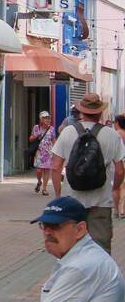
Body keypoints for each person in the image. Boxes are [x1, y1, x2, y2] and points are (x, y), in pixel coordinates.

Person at [48, 92, 124, 253]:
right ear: (100, 112)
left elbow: (55, 167)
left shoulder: (68, 132)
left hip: (71, 201)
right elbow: (119, 170)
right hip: (101, 202)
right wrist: (114, 188)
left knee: (70, 249)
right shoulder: (111, 135)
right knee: (101, 250)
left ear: (81, 111)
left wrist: (59, 195)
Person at [30, 111, 57, 195]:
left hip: (48, 152)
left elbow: (53, 140)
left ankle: (44, 189)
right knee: (39, 170)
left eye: (48, 118)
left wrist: (56, 151)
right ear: (41, 119)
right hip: (39, 152)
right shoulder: (36, 128)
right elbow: (30, 139)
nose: (48, 120)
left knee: (46, 170)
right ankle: (39, 181)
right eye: (45, 118)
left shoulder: (51, 129)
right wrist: (36, 136)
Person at [115, 115, 125, 218]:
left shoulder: (116, 134)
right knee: (123, 187)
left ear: (117, 123)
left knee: (117, 187)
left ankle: (117, 210)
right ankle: (123, 209)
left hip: (118, 162)